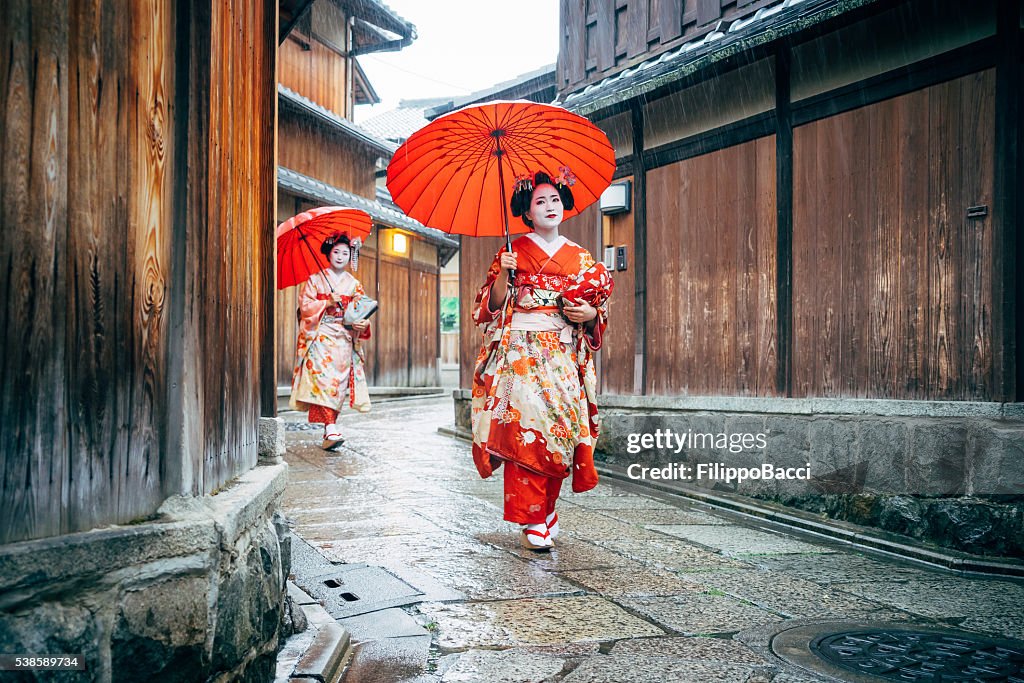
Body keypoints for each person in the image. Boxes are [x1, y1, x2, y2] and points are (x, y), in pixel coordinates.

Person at [471, 168, 614, 551]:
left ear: (563, 205)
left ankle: (547, 507)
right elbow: (488, 309)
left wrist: (589, 315)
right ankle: (532, 516)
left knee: (560, 430)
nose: (549, 206)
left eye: (554, 199)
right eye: (539, 202)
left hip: (564, 354)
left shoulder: (581, 258)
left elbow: (597, 312)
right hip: (522, 353)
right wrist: (503, 274)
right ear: (527, 212)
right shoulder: (512, 252)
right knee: (525, 428)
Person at [290, 232, 372, 449]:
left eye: (345, 253)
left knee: (339, 383)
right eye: (336, 251)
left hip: (344, 337)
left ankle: (330, 427)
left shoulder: (354, 285)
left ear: (350, 256)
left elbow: (361, 312)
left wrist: (362, 324)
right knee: (323, 380)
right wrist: (325, 303)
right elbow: (304, 309)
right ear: (328, 253)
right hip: (321, 335)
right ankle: (330, 427)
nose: (340, 256)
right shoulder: (315, 280)